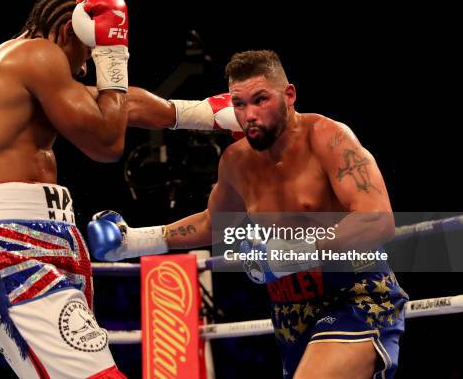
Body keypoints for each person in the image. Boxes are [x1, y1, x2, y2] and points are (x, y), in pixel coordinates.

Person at [87, 50, 409, 378]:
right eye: (239, 104)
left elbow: (378, 219)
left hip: (353, 296)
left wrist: (295, 252)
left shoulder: (328, 138)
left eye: (260, 100)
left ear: (289, 95)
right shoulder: (236, 161)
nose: (249, 115)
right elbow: (213, 224)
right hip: (289, 313)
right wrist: (134, 242)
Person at [0, 0, 130, 378]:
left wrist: (205, 114)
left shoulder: (29, 73)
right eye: (87, 54)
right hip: (7, 245)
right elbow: (107, 142)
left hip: (44, 236)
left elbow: (123, 103)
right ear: (69, 30)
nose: (84, 69)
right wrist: (113, 55)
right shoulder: (38, 54)